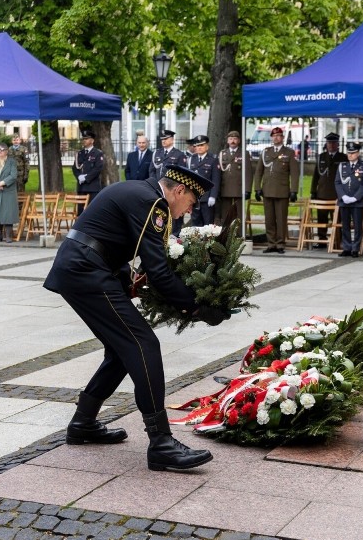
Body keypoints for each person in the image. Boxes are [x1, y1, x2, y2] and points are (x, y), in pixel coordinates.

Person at [44, 164, 227, 472]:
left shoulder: (139, 192)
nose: (187, 212)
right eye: (191, 204)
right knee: (144, 345)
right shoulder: (153, 203)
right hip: (86, 273)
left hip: (83, 268)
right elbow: (158, 270)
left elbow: (112, 240)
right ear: (179, 191)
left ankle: (83, 423)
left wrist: (129, 280)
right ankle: (161, 444)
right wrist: (195, 307)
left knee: (121, 350)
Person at [253, 126, 298, 254]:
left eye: (279, 136)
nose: (276, 138)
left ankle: (280, 244)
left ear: (282, 138)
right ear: (271, 137)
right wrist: (257, 188)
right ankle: (271, 243)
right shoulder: (266, 152)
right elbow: (258, 172)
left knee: (281, 218)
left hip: (282, 191)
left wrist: (294, 190)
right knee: (269, 219)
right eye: (274, 136)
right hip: (267, 190)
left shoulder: (289, 152)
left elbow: (294, 173)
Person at [310, 133, 345, 246]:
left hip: (336, 193)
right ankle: (322, 240)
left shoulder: (343, 158)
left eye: (333, 143)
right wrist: (313, 191)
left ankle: (338, 239)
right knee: (321, 218)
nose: (331, 145)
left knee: (337, 219)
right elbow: (316, 175)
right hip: (322, 192)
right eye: (329, 142)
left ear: (338, 144)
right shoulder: (321, 156)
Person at [335, 142, 363, 257]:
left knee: (357, 226)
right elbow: (337, 182)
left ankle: (355, 248)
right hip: (344, 200)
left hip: (357, 202)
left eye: (353, 153)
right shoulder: (342, 166)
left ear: (358, 153)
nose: (350, 155)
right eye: (349, 153)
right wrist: (343, 196)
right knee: (345, 225)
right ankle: (347, 247)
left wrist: (355, 197)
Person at [148, 130, 186, 234]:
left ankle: (174, 238)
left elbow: (182, 174)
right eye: (162, 139)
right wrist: (154, 184)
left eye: (166, 139)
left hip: (172, 191)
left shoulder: (179, 154)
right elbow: (151, 170)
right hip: (158, 190)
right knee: (159, 214)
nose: (163, 141)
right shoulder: (157, 153)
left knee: (173, 215)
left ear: (172, 139)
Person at [217, 130, 253, 233]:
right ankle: (226, 235)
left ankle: (238, 236)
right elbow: (218, 173)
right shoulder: (222, 153)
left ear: (239, 141)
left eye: (235, 139)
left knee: (239, 215)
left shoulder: (244, 153)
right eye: (231, 139)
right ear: (227, 141)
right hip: (225, 188)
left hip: (239, 188)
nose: (233, 141)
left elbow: (248, 173)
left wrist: (247, 189)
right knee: (226, 214)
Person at [186, 135, 221, 227]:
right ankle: (195, 242)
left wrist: (213, 196)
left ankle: (207, 242)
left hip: (207, 197)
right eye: (197, 146)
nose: (199, 148)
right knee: (195, 224)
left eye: (201, 145)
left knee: (208, 224)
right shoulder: (191, 160)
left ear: (207, 146)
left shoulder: (213, 159)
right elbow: (188, 179)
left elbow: (216, 179)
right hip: (194, 197)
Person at [72, 129, 104, 211]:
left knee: (91, 211)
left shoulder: (97, 153)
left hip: (92, 187)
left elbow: (98, 169)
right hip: (81, 187)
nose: (84, 141)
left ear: (92, 140)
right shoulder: (80, 153)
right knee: (80, 211)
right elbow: (75, 167)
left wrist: (86, 178)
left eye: (86, 139)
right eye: (83, 139)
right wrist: (79, 176)